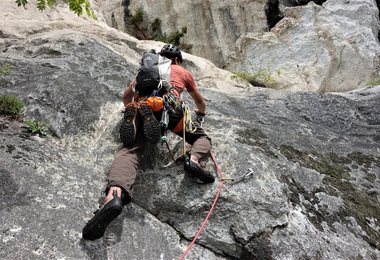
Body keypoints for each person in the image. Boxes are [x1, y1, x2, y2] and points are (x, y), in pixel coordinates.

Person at [82, 44, 215, 240]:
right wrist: (201, 114)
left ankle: (114, 195)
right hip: (170, 110)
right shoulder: (183, 72)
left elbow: (126, 96)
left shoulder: (149, 69)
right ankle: (194, 160)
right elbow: (200, 102)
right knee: (201, 137)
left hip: (143, 104)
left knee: (129, 150)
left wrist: (130, 108)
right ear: (177, 59)